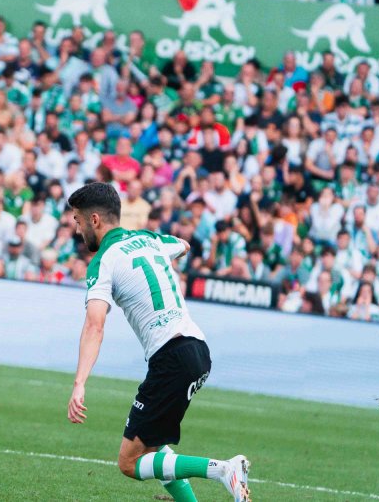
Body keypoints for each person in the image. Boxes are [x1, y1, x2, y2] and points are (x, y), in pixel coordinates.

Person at [66, 182, 250, 502]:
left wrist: (79, 383)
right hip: (197, 349)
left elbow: (95, 326)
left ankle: (223, 469)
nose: (76, 228)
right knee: (152, 446)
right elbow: (183, 244)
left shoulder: (103, 261)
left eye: (78, 221)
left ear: (95, 220)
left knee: (129, 462)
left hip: (171, 356)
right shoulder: (150, 239)